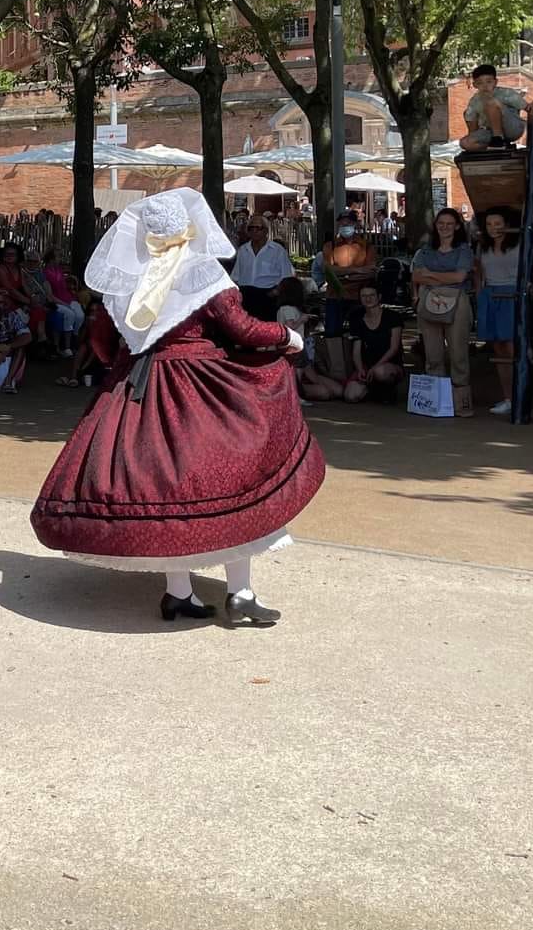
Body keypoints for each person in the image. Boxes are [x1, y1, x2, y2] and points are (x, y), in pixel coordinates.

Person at [30, 188, 324, 625]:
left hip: (140, 387)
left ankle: (179, 593)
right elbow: (242, 328)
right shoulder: (201, 272)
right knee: (230, 483)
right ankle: (240, 592)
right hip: (202, 386)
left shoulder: (134, 277)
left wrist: (127, 365)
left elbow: (103, 339)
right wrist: (287, 338)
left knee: (163, 488)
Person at [411, 207, 476, 411]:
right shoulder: (426, 250)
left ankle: (461, 404)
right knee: (432, 354)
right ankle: (436, 403)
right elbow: (416, 277)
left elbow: (460, 277)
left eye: (449, 224)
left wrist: (431, 275)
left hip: (458, 302)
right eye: (441, 224)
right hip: (429, 300)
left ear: (457, 226)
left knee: (458, 354)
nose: (444, 228)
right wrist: (445, 277)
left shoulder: (464, 250)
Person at [316, 208, 377, 377]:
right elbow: (329, 270)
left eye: (348, 222)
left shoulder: (367, 245)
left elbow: (372, 271)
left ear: (355, 224)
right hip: (335, 296)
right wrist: (358, 271)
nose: (345, 225)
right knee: (332, 332)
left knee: (360, 333)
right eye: (342, 223)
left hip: (359, 297)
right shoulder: (330, 245)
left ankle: (361, 370)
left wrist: (344, 274)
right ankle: (337, 372)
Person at [476, 208, 525, 416]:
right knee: (499, 350)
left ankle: (521, 396)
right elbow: (478, 271)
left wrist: (523, 292)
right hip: (490, 296)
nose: (493, 228)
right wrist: (480, 294)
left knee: (514, 348)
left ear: (507, 224)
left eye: (497, 223)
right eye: (489, 224)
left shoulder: (520, 244)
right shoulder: (482, 246)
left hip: (513, 296)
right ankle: (508, 398)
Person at [459, 62, 533, 152]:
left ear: (495, 82)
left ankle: (498, 140)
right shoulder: (474, 101)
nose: (485, 86)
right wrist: (473, 140)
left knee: (491, 103)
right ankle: (500, 146)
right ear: (475, 85)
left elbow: (529, 107)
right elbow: (473, 132)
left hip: (512, 128)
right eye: (480, 83)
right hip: (489, 132)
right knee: (465, 143)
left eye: (489, 82)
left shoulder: (507, 93)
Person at [343, 283, 405, 399]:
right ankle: (372, 390)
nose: (368, 299)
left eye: (371, 295)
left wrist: (376, 366)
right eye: (364, 296)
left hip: (389, 365)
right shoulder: (356, 318)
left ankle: (388, 389)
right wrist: (360, 368)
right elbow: (356, 349)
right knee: (350, 396)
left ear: (379, 297)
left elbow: (394, 348)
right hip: (368, 365)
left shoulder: (393, 316)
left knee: (380, 372)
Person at [230, 213, 292, 320]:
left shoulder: (277, 251)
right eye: (251, 228)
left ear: (266, 231)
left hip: (267, 295)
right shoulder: (243, 250)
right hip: (246, 295)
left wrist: (274, 292)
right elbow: (236, 276)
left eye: (258, 228)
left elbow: (287, 276)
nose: (254, 231)